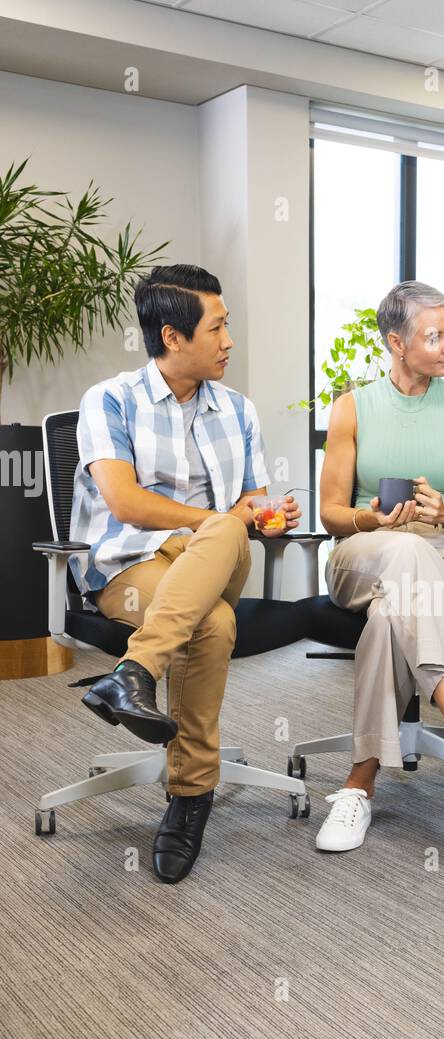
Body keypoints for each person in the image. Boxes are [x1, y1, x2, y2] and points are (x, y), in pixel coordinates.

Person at [69, 263, 300, 883]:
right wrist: (219, 520)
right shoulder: (111, 400)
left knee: (225, 530)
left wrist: (267, 515)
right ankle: (191, 796)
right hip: (130, 565)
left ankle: (133, 672)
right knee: (213, 625)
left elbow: (250, 504)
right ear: (173, 337)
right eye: (218, 328)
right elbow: (124, 504)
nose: (230, 341)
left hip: (216, 562)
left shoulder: (238, 410)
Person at [315, 280, 444, 852]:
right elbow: (330, 514)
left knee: (390, 615)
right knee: (403, 552)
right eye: (436, 335)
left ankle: (358, 785)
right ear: (396, 343)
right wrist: (373, 522)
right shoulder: (352, 407)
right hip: (362, 553)